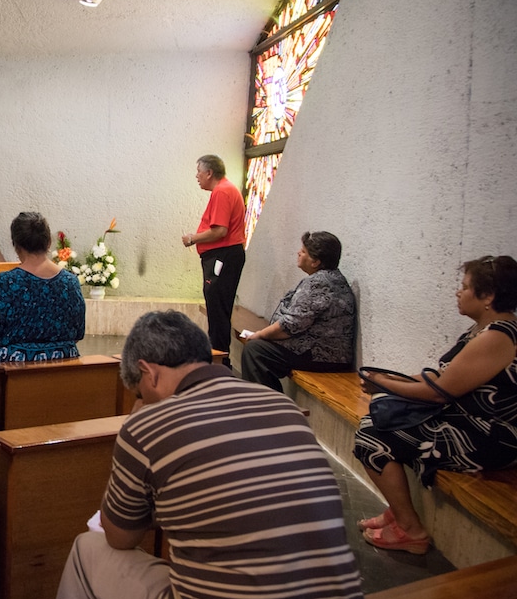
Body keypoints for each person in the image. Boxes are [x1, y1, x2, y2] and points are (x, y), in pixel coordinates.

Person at [44, 311, 365, 599]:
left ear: (149, 373)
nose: (140, 403)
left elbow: (119, 538)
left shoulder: (148, 424)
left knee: (87, 552)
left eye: (139, 393)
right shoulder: (282, 405)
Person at [353, 255, 517, 554]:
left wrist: (382, 384)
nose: (458, 292)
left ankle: (411, 530)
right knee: (378, 418)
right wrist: (387, 377)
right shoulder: (482, 330)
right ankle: (398, 511)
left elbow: (439, 392)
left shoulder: (498, 336)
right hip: (465, 422)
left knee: (371, 436)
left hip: (490, 438)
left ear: (488, 296)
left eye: (465, 286)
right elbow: (439, 375)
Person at [240, 231, 356, 391]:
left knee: (256, 350)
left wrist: (260, 334)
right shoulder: (330, 278)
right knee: (261, 346)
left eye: (303, 252)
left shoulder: (319, 283)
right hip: (322, 352)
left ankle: (269, 409)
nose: (298, 253)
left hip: (322, 355)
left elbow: (291, 325)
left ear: (315, 262)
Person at [0, 212, 84, 362]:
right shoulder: (71, 282)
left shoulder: (7, 283)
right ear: (48, 242)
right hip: (63, 369)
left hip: (13, 372)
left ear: (16, 245)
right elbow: (78, 333)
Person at [182, 154, 245, 361]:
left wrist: (193, 238)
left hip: (223, 256)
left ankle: (219, 363)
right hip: (223, 256)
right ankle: (217, 359)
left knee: (218, 311)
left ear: (209, 173)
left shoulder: (222, 191)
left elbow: (220, 231)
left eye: (199, 172)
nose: (196, 176)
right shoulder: (224, 189)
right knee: (216, 309)